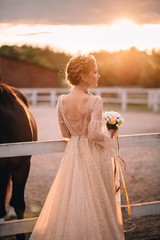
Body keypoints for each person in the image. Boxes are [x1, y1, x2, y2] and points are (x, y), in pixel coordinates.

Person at [29, 54, 124, 240]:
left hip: (73, 154)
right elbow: (95, 134)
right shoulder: (95, 101)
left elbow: (65, 134)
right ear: (84, 77)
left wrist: (79, 135)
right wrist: (109, 135)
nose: (98, 75)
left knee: (73, 199)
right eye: (95, 72)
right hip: (94, 155)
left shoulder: (61, 101)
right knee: (97, 200)